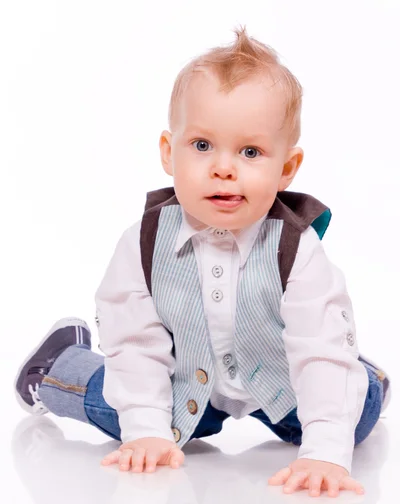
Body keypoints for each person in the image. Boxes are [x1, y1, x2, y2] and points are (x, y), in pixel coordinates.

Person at [15, 27, 390, 498]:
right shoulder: (145, 242)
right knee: (117, 407)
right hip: (182, 382)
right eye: (202, 146)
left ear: (287, 168)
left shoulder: (296, 249)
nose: (223, 167)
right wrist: (146, 430)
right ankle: (55, 365)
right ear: (169, 153)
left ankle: (361, 374)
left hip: (280, 381)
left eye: (250, 152)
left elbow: (317, 350)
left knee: (350, 419)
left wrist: (324, 454)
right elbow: (135, 344)